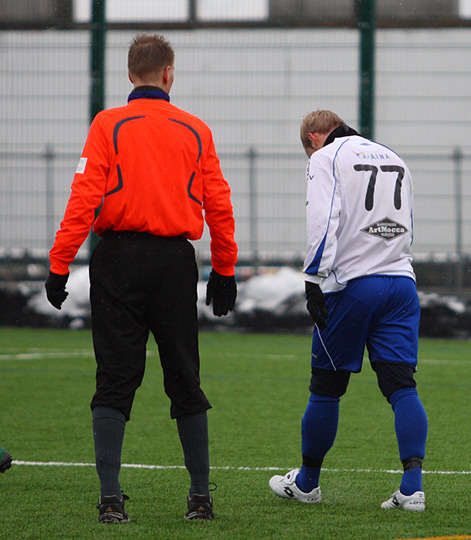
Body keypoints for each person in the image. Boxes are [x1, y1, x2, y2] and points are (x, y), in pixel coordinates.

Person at [45, 34, 237, 522]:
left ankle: (111, 499)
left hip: (117, 261)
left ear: (130, 74)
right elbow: (218, 203)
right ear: (169, 74)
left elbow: (83, 197)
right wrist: (225, 269)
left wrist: (60, 262)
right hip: (175, 263)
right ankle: (200, 497)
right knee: (184, 377)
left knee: (114, 378)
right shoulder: (196, 129)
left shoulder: (108, 124)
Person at [269, 110, 428, 511]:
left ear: (314, 136)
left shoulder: (325, 157)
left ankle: (306, 483)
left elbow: (322, 218)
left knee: (326, 387)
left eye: (307, 149)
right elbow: (405, 222)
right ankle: (412, 488)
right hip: (401, 283)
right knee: (401, 385)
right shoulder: (393, 155)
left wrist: (312, 278)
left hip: (354, 286)